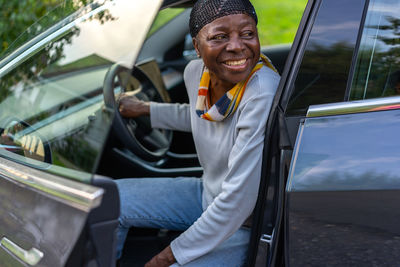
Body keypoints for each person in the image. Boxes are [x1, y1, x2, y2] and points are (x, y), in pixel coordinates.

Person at [115, 0, 280, 265]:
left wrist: (164, 257)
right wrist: (144, 109)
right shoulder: (195, 73)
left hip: (245, 222)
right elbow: (200, 114)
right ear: (196, 45)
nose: (237, 46)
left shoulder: (261, 92)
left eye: (248, 33)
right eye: (220, 37)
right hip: (209, 195)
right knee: (108, 200)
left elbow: (237, 203)